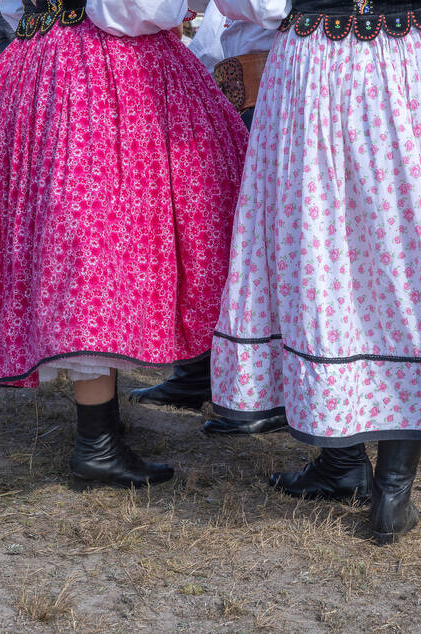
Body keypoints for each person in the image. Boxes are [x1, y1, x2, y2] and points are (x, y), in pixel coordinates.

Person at [212, 0, 421, 543]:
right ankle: (388, 486)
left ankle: (345, 457)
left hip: (325, 58)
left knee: (325, 252)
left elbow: (263, 3)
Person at [0, 0, 248, 488]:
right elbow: (137, 9)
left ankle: (104, 420)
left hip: (35, 60)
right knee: (96, 253)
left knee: (77, 247)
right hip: (103, 71)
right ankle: (96, 441)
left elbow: (12, 9)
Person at [130, 1, 281, 435]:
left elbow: (267, 8)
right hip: (237, 86)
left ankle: (267, 391)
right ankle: (201, 372)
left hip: (273, 79)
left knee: (257, 246)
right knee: (212, 236)